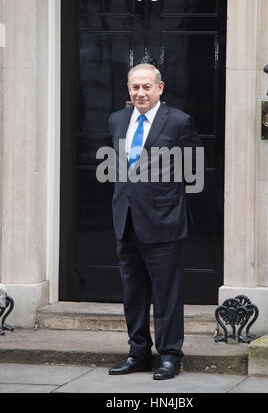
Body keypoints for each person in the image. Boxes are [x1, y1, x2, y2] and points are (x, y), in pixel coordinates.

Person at [108, 63, 202, 380]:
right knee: (133, 294)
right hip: (126, 220)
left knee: (167, 295)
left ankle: (170, 355)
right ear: (128, 88)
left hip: (164, 222)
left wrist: (169, 201)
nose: (140, 93)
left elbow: (194, 170)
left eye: (147, 87)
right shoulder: (117, 120)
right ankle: (138, 353)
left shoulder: (178, 121)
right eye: (135, 87)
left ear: (159, 88)